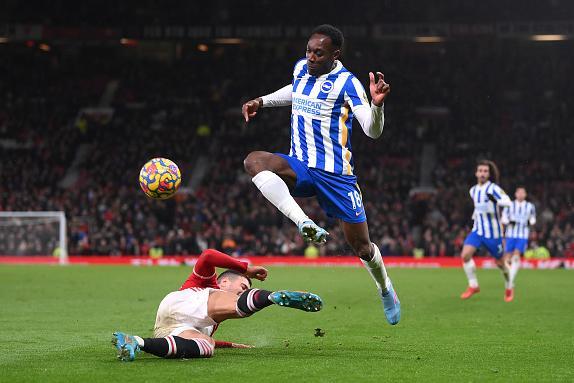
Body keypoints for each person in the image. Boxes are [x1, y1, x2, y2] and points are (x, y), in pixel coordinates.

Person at [241, 24, 400, 325]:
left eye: (319, 53)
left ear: (334, 54)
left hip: (337, 176)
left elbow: (372, 130)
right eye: (309, 51)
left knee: (362, 248)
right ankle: (303, 222)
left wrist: (377, 106)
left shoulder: (348, 83)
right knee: (254, 161)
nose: (311, 57)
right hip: (300, 165)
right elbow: (294, 92)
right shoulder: (301, 69)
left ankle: (385, 288)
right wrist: (261, 101)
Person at [112, 249, 322, 361]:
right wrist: (245, 269)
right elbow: (208, 256)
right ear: (223, 282)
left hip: (168, 329)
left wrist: (228, 344)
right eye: (242, 286)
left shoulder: (214, 316)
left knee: (206, 345)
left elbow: (196, 326)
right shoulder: (208, 283)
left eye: (246, 288)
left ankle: (135, 342)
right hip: (181, 302)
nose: (243, 290)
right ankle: (272, 297)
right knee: (235, 307)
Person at [460, 160, 512, 301]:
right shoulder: (473, 190)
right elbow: (478, 207)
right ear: (476, 173)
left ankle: (509, 285)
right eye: (480, 171)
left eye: (485, 171)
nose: (482, 173)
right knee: (465, 255)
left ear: (489, 174)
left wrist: (496, 201)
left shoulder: (493, 188)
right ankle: (473, 285)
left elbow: (508, 201)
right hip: (478, 230)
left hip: (493, 233)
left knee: (501, 264)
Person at [500, 186, 536, 302]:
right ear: (515, 194)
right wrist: (510, 221)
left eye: (522, 192)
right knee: (506, 259)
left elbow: (533, 219)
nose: (520, 194)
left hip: (522, 235)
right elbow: (504, 218)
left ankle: (509, 284)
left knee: (516, 256)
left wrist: (529, 221)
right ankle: (510, 282)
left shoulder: (530, 206)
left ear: (525, 195)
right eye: (519, 192)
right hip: (510, 234)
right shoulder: (510, 205)